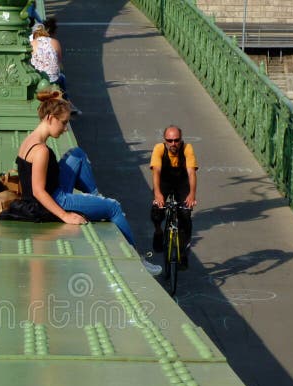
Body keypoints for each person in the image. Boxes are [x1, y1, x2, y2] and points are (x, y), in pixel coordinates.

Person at [14, 90, 136, 246]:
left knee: (77, 154)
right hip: (55, 201)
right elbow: (38, 191)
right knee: (114, 207)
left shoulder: (29, 140)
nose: (66, 129)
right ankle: (139, 256)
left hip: (48, 193)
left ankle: (96, 198)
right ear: (50, 118)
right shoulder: (41, 151)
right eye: (64, 122)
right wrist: (65, 216)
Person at [150, 125, 197, 268]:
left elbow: (191, 173)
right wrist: (158, 194)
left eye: (176, 140)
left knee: (185, 214)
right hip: (164, 181)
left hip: (181, 182)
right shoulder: (159, 149)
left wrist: (192, 194)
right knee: (157, 211)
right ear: (165, 141)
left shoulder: (187, 149)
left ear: (181, 139)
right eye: (169, 141)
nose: (173, 144)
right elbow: (156, 171)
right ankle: (158, 231)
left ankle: (183, 250)